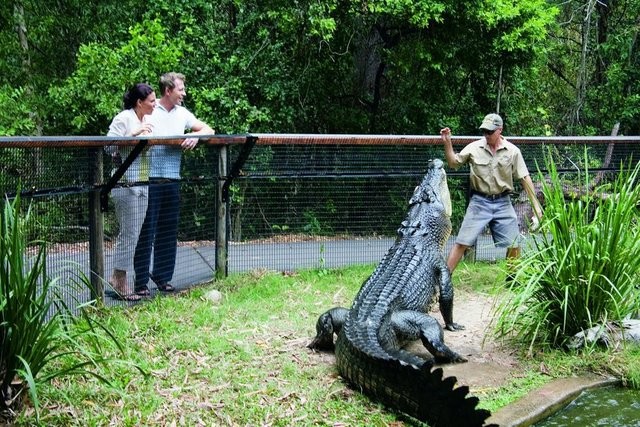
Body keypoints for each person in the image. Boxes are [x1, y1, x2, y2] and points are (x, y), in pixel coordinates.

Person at [133, 72, 214, 296]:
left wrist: (196, 136)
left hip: (172, 178)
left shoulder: (182, 113)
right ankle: (140, 281)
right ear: (168, 90)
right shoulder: (150, 109)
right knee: (145, 232)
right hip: (148, 179)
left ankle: (162, 277)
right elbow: (133, 131)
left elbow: (208, 129)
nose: (184, 93)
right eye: (180, 89)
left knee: (168, 230)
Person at [440, 113, 543, 275]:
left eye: (490, 131)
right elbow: (453, 163)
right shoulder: (474, 148)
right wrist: (447, 143)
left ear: (499, 130)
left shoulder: (513, 151)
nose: (486, 135)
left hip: (503, 202)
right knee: (462, 242)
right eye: (484, 131)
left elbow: (524, 178)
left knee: (514, 243)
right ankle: (444, 278)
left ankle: (513, 279)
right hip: (479, 202)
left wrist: (536, 206)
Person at [105, 83, 156, 301]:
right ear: (139, 102)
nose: (155, 105)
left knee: (135, 234)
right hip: (124, 183)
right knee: (129, 233)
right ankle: (120, 280)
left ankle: (118, 277)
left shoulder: (149, 120)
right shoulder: (124, 119)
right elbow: (108, 146)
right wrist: (133, 134)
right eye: (152, 101)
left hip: (143, 183)